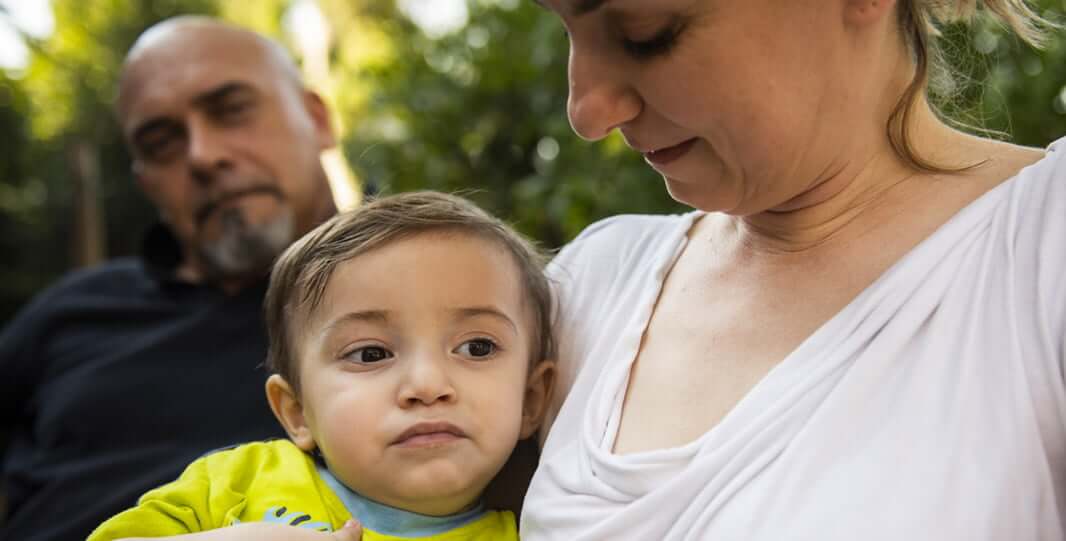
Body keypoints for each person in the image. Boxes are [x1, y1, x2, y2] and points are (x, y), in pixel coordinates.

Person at [521, 1, 1065, 539]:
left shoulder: (1044, 244)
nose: (587, 112)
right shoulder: (588, 283)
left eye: (647, 33)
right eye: (566, 26)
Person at [0, 16, 338, 541]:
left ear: (316, 118)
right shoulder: (73, 311)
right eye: (161, 142)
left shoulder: (435, 294)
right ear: (145, 183)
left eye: (231, 110)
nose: (202, 155)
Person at [87, 191, 556, 541]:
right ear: (297, 413)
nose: (428, 385)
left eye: (477, 347)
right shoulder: (238, 481)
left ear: (532, 400)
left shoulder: (537, 531)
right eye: (371, 354)